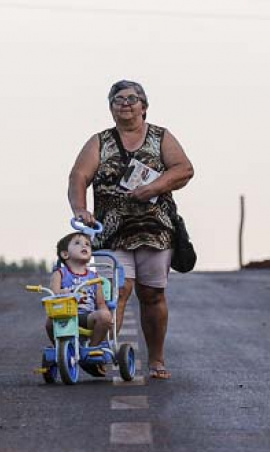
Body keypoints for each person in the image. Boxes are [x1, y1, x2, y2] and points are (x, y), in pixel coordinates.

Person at [68, 79, 194, 380]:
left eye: (131, 99)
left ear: (144, 107)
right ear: (111, 108)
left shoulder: (161, 137)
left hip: (154, 230)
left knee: (152, 294)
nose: (125, 104)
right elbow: (78, 176)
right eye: (118, 99)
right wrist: (80, 209)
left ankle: (156, 360)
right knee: (115, 292)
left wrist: (153, 187)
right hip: (111, 231)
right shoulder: (100, 141)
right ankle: (100, 352)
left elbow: (184, 169)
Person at [47, 232, 112, 350]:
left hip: (87, 316)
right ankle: (60, 349)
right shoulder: (60, 274)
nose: (84, 246)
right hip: (65, 315)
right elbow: (53, 294)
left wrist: (106, 314)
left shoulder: (94, 277)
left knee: (105, 317)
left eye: (87, 244)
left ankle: (92, 348)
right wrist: (60, 293)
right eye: (77, 243)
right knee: (50, 322)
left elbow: (101, 303)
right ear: (65, 254)